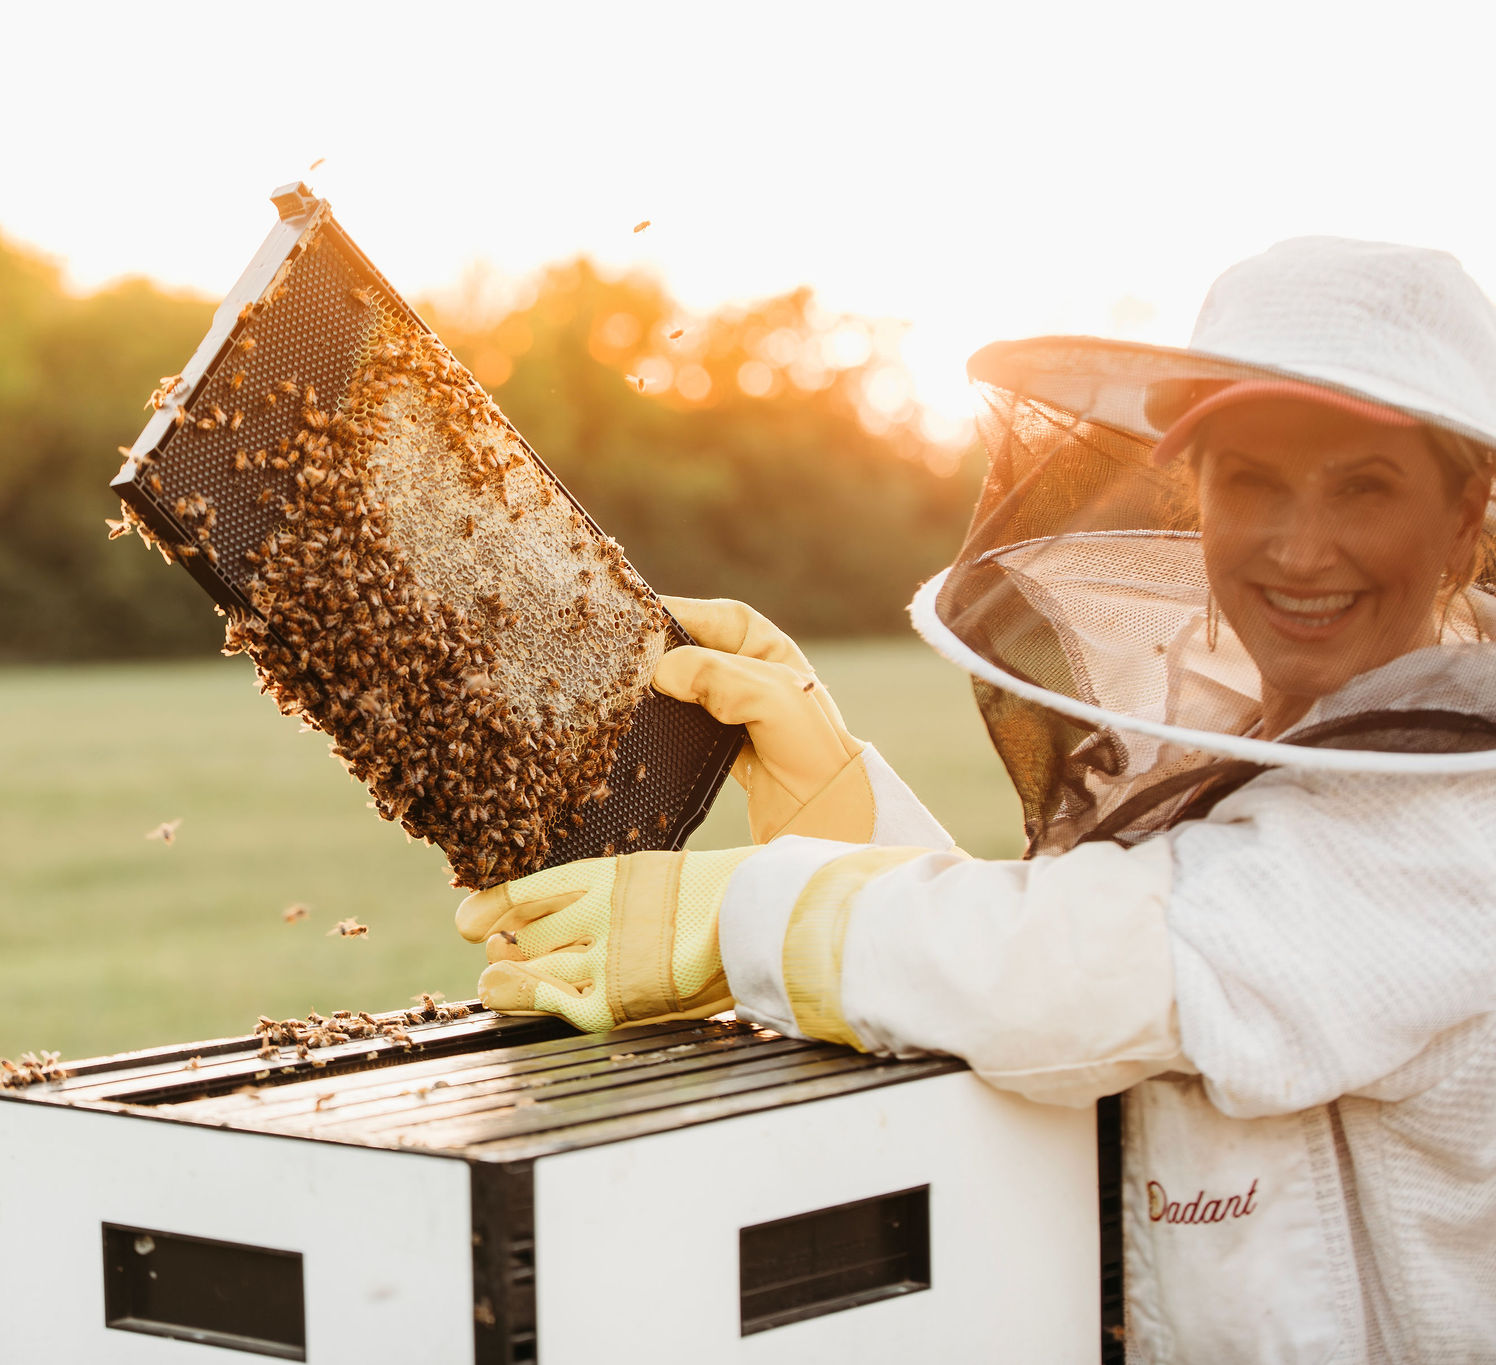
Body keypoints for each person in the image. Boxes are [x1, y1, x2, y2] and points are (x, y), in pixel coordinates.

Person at [456, 237, 1496, 1363]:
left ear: (1463, 513)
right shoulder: (1282, 745)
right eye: (1251, 479)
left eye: (1363, 486)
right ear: (1197, 495)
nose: (1299, 546)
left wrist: (745, 913)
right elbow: (1055, 986)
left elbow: (1092, 973)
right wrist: (837, 801)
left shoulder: (1457, 816)